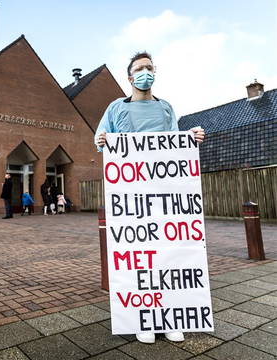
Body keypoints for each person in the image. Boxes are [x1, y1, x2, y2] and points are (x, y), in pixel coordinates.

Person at [95, 52, 205, 344]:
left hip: (164, 194)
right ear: (130, 78)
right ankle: (143, 316)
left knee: (168, 253)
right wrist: (103, 141)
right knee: (138, 256)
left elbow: (174, 142)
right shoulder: (116, 108)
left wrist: (190, 137)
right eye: (139, 69)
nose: (146, 72)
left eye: (149, 67)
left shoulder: (166, 108)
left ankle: (169, 316)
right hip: (131, 198)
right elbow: (100, 138)